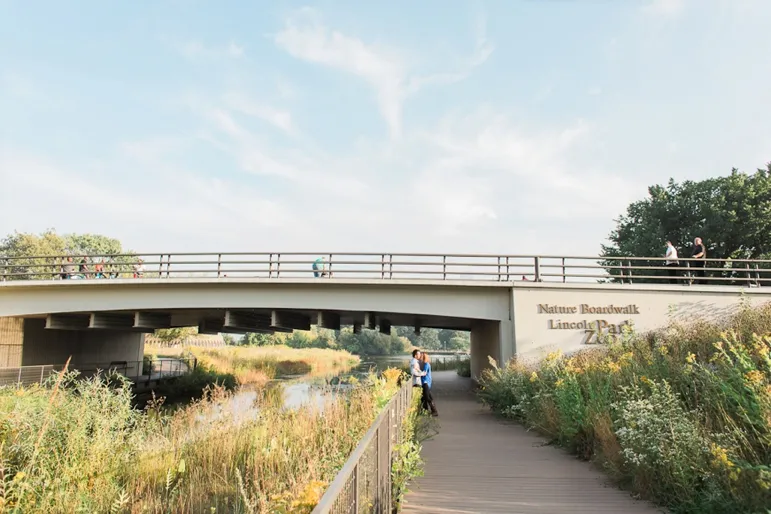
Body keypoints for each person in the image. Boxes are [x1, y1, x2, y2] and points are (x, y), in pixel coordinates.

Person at [419, 352, 439, 416]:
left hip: (426, 382)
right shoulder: (424, 364)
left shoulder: (426, 364)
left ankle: (434, 411)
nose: (420, 358)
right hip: (425, 382)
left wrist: (417, 372)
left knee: (427, 397)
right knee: (424, 397)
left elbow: (424, 373)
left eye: (421, 357)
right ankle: (425, 410)